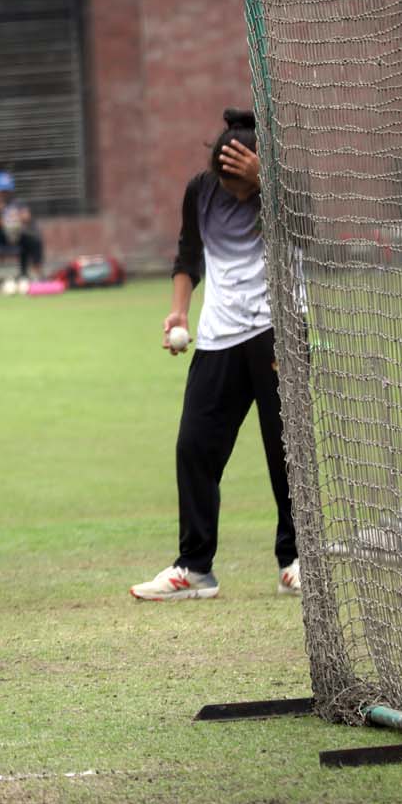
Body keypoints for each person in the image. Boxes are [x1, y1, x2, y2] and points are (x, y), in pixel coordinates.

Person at [130, 108, 300, 601]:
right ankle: (195, 567)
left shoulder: (285, 185)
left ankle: (293, 560)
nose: (234, 195)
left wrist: (266, 181)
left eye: (242, 187)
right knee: (194, 447)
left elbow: (307, 226)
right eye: (228, 186)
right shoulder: (200, 190)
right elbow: (188, 253)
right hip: (221, 336)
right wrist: (179, 313)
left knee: (285, 451)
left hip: (279, 332)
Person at [0, 172, 44, 292]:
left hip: (15, 234)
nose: (4, 194)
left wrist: (15, 216)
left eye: (6, 191)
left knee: (34, 240)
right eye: (1, 191)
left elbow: (27, 216)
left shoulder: (17, 202)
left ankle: (36, 274)